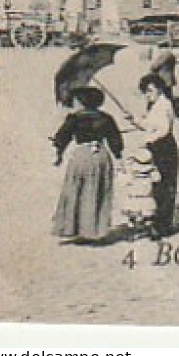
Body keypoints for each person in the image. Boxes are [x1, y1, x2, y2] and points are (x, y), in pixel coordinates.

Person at [51, 86, 123, 243]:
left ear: (83, 102)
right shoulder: (106, 118)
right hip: (101, 156)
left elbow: (61, 138)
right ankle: (96, 229)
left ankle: (74, 228)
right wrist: (118, 155)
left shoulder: (74, 118)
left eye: (76, 100)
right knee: (98, 191)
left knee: (76, 190)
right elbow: (115, 140)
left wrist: (58, 154)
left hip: (82, 156)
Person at [127, 73, 179, 239]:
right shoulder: (155, 105)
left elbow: (163, 129)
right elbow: (149, 126)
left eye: (150, 90)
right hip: (156, 147)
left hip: (164, 147)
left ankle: (163, 225)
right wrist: (134, 120)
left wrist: (148, 139)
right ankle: (158, 223)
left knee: (165, 186)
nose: (148, 95)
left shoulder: (165, 105)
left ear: (159, 89)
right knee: (155, 186)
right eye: (145, 92)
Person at [118, 142, 159, 239]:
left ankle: (134, 232)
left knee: (134, 214)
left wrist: (121, 171)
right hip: (147, 198)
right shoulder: (150, 173)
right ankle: (149, 229)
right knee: (147, 214)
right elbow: (157, 178)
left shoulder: (132, 175)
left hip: (134, 198)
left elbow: (123, 181)